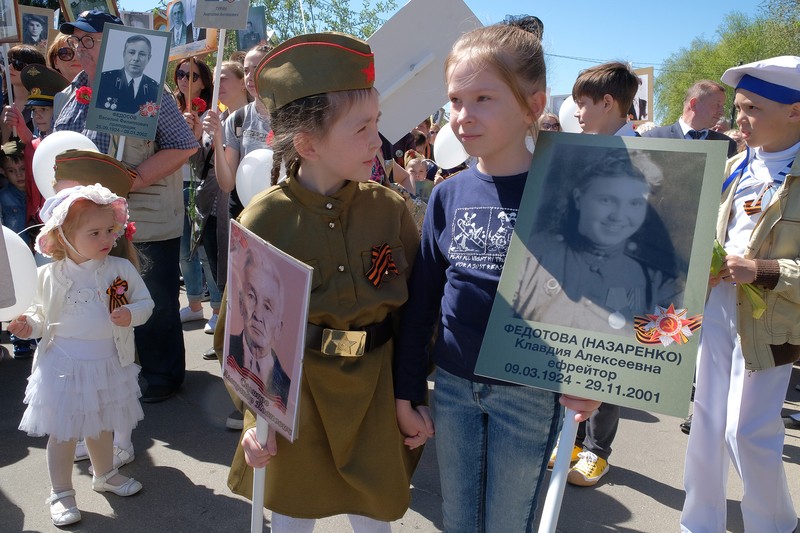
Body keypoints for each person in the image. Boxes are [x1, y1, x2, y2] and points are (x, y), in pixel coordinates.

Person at [393, 20, 601, 532]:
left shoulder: (570, 194)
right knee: (459, 519)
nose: (463, 116)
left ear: (533, 104)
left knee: (509, 521)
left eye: (483, 98)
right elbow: (423, 302)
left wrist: (594, 380)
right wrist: (407, 390)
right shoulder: (448, 194)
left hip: (531, 394)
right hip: (456, 387)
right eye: (455, 100)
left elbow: (599, 297)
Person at [219, 31, 421, 531]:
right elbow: (241, 337)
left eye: (377, 122)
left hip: (375, 391)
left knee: (375, 516)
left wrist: (411, 394)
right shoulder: (263, 221)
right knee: (291, 514)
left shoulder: (388, 210)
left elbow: (415, 313)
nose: (378, 140)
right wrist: (253, 421)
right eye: (361, 128)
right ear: (307, 143)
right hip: (297, 397)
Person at [680, 55, 800, 533]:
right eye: (738, 108)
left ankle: (774, 525)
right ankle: (699, 523)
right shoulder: (732, 166)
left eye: (752, 108)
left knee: (746, 432)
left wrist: (763, 270)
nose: (738, 120)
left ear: (794, 111)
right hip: (717, 310)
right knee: (707, 425)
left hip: (773, 324)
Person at [55, 9, 199, 403]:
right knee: (113, 296)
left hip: (143, 216)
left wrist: (133, 180)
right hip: (91, 219)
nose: (78, 49)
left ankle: (163, 376)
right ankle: (124, 371)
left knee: (152, 298)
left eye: (88, 41)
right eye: (75, 41)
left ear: (113, 45)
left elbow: (184, 145)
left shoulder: (150, 89)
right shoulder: (72, 93)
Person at [9, 176, 154, 527]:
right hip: (65, 367)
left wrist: (130, 314)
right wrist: (29, 325)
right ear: (63, 237)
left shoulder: (119, 270)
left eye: (109, 230)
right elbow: (41, 316)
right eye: (95, 233)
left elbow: (146, 303)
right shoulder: (51, 275)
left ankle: (103, 473)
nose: (107, 239)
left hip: (107, 364)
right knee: (64, 432)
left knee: (102, 425)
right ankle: (61, 491)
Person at [173, 57, 220, 331]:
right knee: (183, 250)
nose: (184, 80)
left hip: (201, 185)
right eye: (180, 74)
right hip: (175, 184)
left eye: (192, 75)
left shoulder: (214, 111)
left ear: (203, 82)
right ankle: (193, 304)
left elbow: (206, 152)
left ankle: (215, 307)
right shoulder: (169, 109)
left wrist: (196, 129)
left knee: (203, 249)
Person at [228, 248, 290, 410]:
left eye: (268, 307)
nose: (257, 314)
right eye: (251, 296)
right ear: (241, 303)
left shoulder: (287, 387)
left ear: (279, 327)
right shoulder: (228, 349)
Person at [642, 80, 739, 158]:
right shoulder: (653, 139)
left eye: (722, 106)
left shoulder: (727, 145)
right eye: (717, 105)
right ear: (694, 104)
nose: (722, 112)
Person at [95, 34, 160, 115]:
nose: (136, 58)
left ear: (149, 58)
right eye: (132, 52)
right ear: (124, 54)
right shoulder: (104, 80)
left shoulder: (155, 90)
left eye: (142, 54)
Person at [572, 61, 640, 136]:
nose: (576, 114)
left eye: (581, 104)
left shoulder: (638, 147)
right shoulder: (590, 145)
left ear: (607, 103)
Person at [1, 45, 46, 144]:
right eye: (8, 62)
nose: (10, 67)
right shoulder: (1, 101)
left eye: (18, 64)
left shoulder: (44, 105)